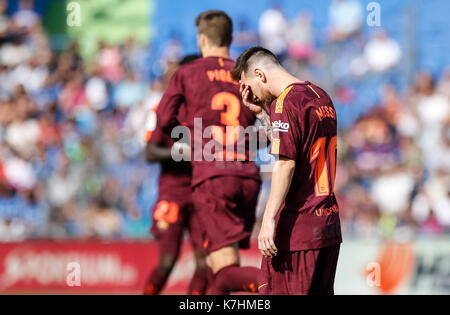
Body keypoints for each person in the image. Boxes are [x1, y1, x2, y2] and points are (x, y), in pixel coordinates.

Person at [156, 10, 262, 295]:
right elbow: (268, 128)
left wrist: (192, 136)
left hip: (213, 177)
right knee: (222, 265)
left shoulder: (187, 73)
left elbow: (165, 120)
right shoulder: (247, 75)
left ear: (201, 39)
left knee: (225, 271)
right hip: (249, 177)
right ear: (230, 38)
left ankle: (276, 288)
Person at [231, 46, 342, 295]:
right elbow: (294, 144)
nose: (251, 95)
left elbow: (286, 162)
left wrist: (268, 219)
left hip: (299, 229)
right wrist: (261, 114)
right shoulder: (320, 95)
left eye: (248, 86)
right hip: (328, 225)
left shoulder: (286, 102)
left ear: (259, 74)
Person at [143, 55, 208, 295]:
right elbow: (149, 153)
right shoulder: (161, 109)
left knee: (205, 263)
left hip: (201, 192)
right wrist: (182, 152)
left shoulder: (210, 110)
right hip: (172, 193)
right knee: (168, 261)